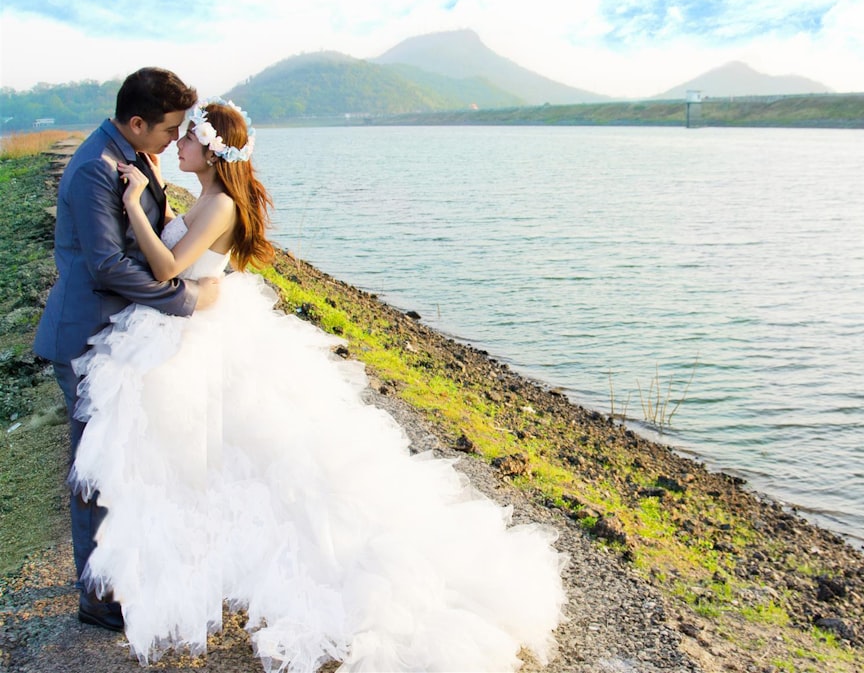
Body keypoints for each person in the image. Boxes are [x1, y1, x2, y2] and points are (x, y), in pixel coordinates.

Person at [69, 99, 566, 672]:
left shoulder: (221, 204)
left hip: (195, 335)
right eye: (174, 136)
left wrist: (132, 204)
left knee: (238, 461)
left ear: (209, 150)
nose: (176, 145)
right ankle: (185, 560)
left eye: (186, 139)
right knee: (206, 459)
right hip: (187, 329)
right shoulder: (206, 196)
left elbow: (165, 269)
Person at [33, 67, 220, 632]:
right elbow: (107, 265)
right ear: (137, 123)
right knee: (94, 470)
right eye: (169, 129)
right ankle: (97, 596)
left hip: (119, 334)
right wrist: (186, 297)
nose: (173, 138)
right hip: (85, 333)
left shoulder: (137, 154)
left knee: (121, 459)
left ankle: (119, 571)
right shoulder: (96, 168)